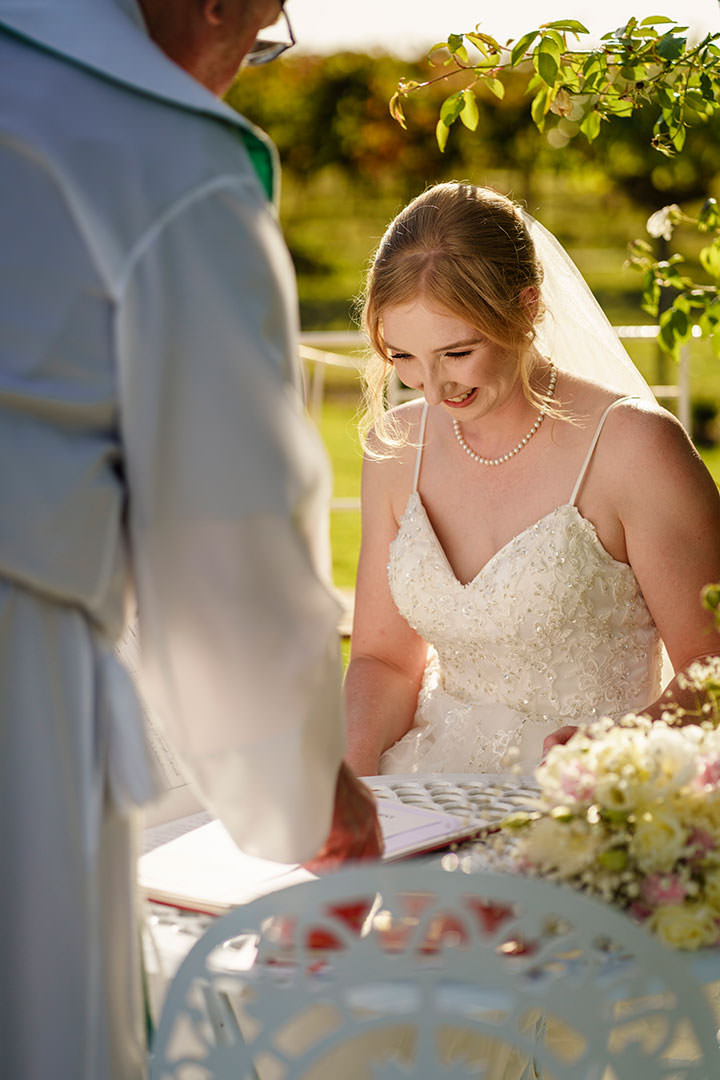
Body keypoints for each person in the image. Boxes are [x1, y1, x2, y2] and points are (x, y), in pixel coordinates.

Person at [0, 2, 381, 1078]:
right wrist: (312, 797)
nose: (244, 73)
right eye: (260, 40)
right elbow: (226, 551)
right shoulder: (163, 152)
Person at [344, 181, 720, 779]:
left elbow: (712, 671)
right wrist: (351, 784)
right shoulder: (397, 449)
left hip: (589, 800)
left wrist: (618, 747)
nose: (433, 389)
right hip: (422, 786)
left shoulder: (634, 448)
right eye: (403, 357)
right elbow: (383, 660)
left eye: (457, 353)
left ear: (527, 306)